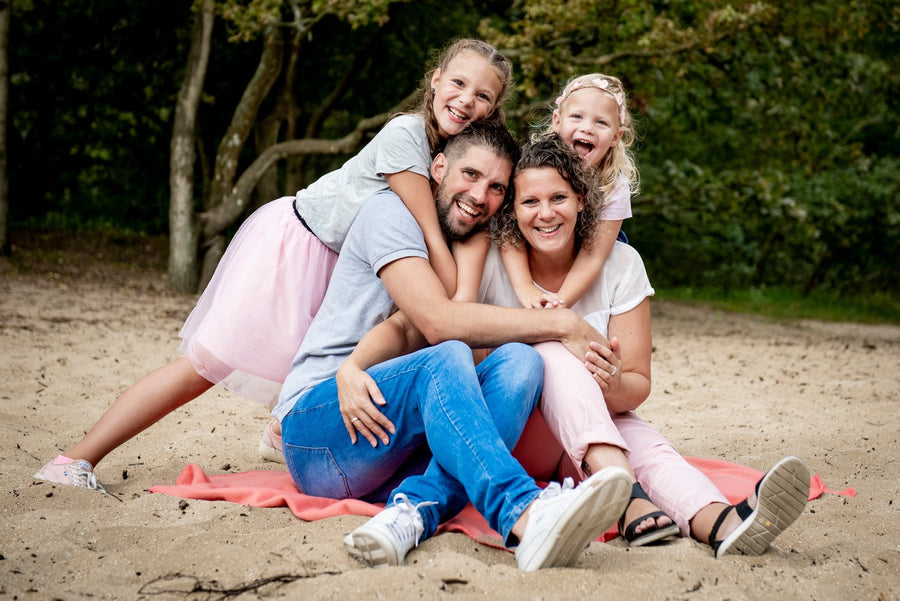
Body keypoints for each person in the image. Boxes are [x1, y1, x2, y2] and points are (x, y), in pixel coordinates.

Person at [33, 38, 514, 491]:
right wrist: (458, 301)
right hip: (299, 248)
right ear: (434, 81)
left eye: (483, 95)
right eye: (458, 84)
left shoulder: (454, 158)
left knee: (345, 352)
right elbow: (431, 237)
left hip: (348, 264)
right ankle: (78, 457)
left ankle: (282, 432)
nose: (467, 100)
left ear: (493, 110)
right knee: (205, 367)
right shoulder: (405, 135)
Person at [277, 120, 637, 572]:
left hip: (394, 450)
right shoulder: (391, 213)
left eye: (495, 188)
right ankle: (523, 512)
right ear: (439, 167)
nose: (480, 195)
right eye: (470, 175)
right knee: (448, 351)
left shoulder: (467, 238)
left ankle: (412, 512)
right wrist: (352, 367)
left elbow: (433, 328)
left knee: (521, 361)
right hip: (322, 428)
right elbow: (430, 324)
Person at [480, 137, 810, 556]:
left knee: (640, 439)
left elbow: (637, 385)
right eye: (530, 202)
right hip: (518, 436)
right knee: (547, 348)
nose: (545, 214)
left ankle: (720, 522)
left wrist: (613, 383)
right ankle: (627, 495)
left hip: (590, 434)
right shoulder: (492, 265)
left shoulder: (621, 265)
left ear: (581, 200)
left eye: (558, 197)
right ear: (513, 208)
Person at [500, 73, 638, 310]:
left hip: (592, 249)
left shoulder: (614, 184)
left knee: (619, 253)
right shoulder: (532, 167)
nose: (587, 128)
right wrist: (525, 287)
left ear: (616, 136)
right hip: (537, 243)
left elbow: (593, 257)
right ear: (557, 121)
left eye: (601, 122)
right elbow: (507, 231)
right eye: (576, 116)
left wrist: (558, 307)